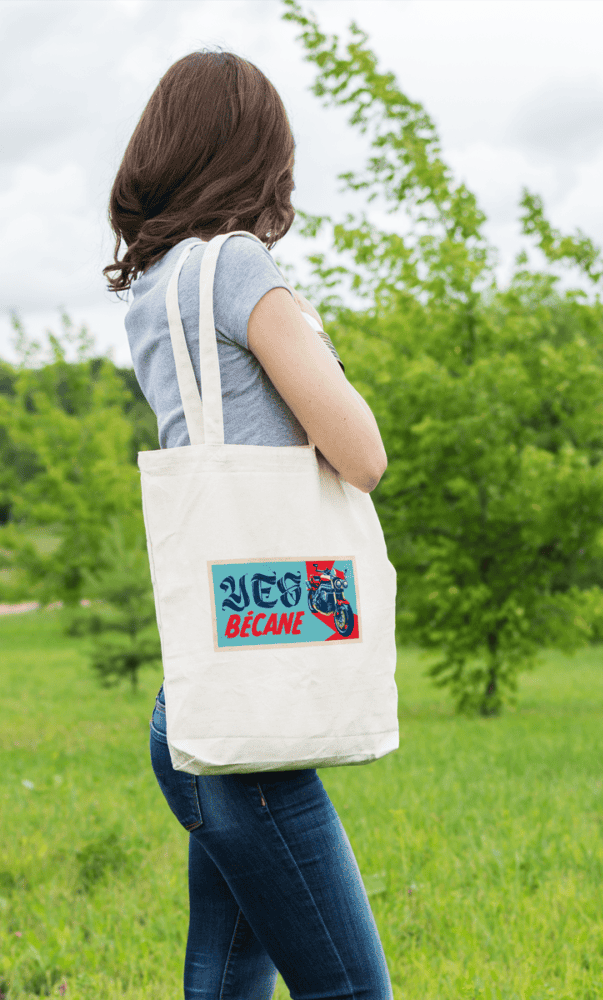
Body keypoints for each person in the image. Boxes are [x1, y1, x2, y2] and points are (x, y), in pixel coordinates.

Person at [104, 50, 392, 1000]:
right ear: (253, 155)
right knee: (352, 991)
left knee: (224, 985)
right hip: (244, 738)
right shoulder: (237, 266)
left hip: (201, 708)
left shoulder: (154, 287)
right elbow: (362, 452)